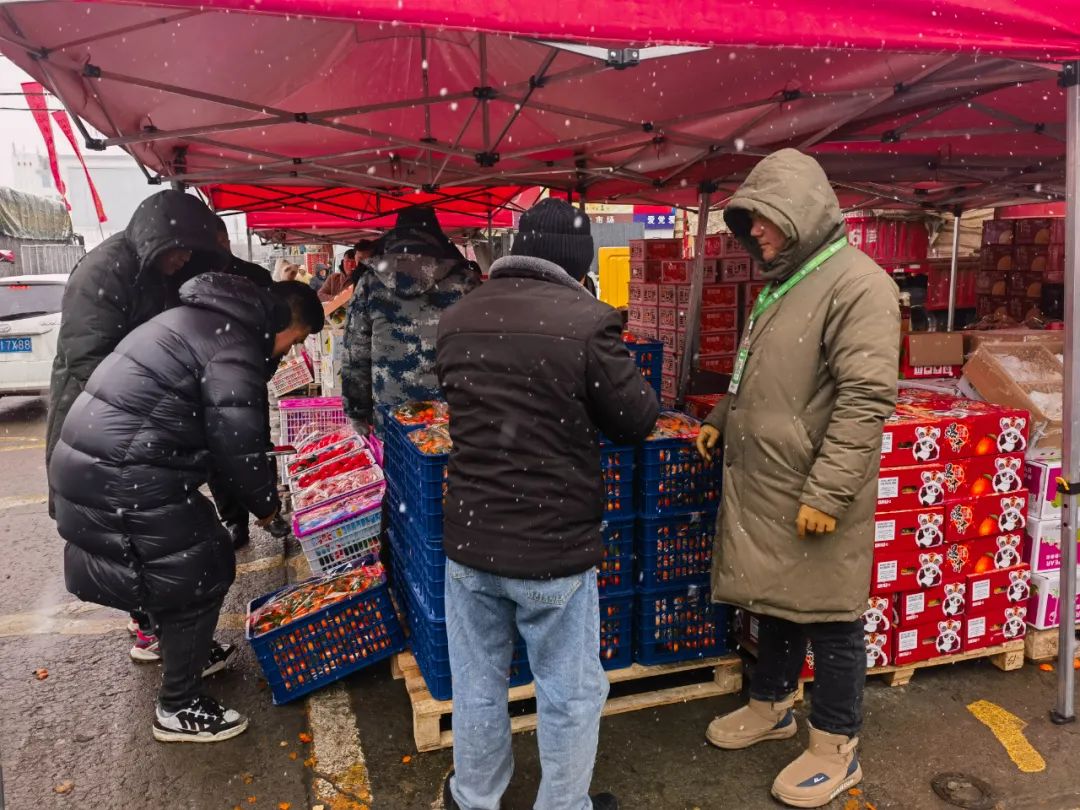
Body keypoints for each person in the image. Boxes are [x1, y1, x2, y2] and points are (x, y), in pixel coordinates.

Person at [435, 198, 659, 810]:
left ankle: (474, 797)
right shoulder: (587, 321)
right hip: (553, 548)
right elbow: (636, 419)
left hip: (473, 540)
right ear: (577, 261)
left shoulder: (457, 318)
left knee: (478, 684)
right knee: (568, 692)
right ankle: (563, 804)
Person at [695, 149, 899, 808]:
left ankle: (837, 746)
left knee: (834, 618)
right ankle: (772, 704)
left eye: (763, 219)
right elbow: (752, 369)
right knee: (776, 599)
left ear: (801, 212)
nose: (754, 231)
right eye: (748, 220)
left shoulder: (858, 285)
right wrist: (725, 415)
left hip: (814, 488)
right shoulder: (783, 284)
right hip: (771, 482)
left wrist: (828, 491)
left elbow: (865, 397)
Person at [50, 275, 324, 743]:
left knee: (169, 561)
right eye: (293, 341)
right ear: (282, 322)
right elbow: (238, 444)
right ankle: (178, 706)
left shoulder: (199, 321)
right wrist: (267, 510)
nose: (284, 355)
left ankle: (169, 643)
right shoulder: (233, 346)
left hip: (95, 467)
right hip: (123, 476)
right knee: (199, 567)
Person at [44, 189, 224, 654]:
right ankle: (151, 631)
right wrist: (154, 415)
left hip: (135, 427)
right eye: (177, 249)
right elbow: (89, 360)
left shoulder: (161, 271)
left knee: (148, 533)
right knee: (128, 532)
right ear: (156, 241)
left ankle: (158, 627)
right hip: (98, 428)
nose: (182, 258)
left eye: (190, 250)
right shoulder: (104, 272)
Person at [341, 206, 476, 435]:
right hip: (451, 418)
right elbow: (482, 350)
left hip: (391, 415)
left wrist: (357, 410)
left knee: (398, 467)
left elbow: (356, 354)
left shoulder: (370, 283)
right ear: (437, 237)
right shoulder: (465, 281)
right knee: (442, 467)